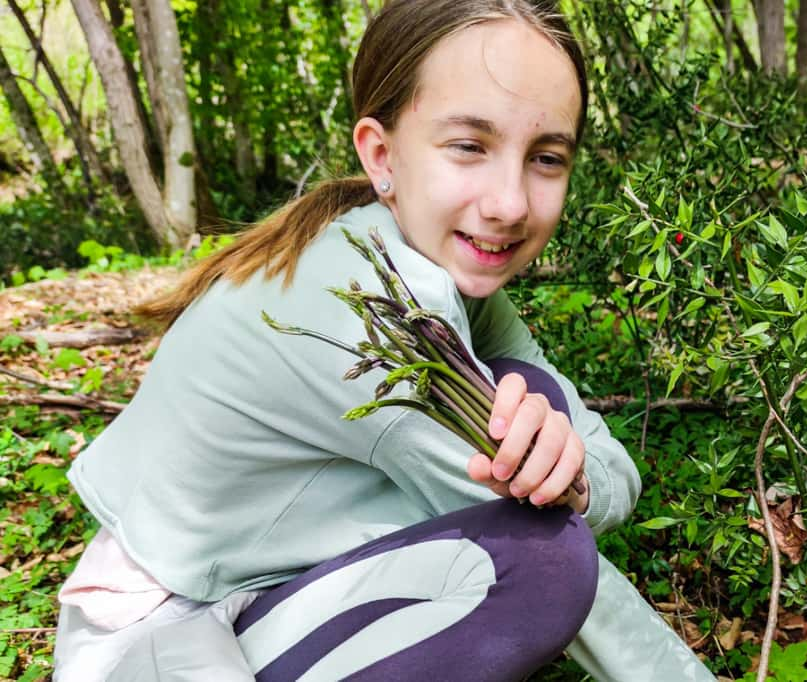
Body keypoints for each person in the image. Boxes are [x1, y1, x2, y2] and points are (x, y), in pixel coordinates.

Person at [53, 1, 715, 680]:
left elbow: (599, 460)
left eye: (546, 158)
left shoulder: (418, 261)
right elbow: (563, 554)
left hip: (265, 590)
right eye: (469, 146)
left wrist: (569, 476)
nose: (510, 203)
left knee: (530, 403)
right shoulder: (371, 315)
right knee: (539, 561)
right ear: (380, 153)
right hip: (159, 638)